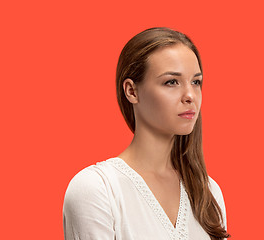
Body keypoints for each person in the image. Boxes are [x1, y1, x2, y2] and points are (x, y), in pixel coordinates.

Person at [63, 27, 230, 240]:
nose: (190, 95)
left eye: (196, 82)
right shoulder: (97, 189)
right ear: (132, 91)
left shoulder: (208, 192)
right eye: (171, 82)